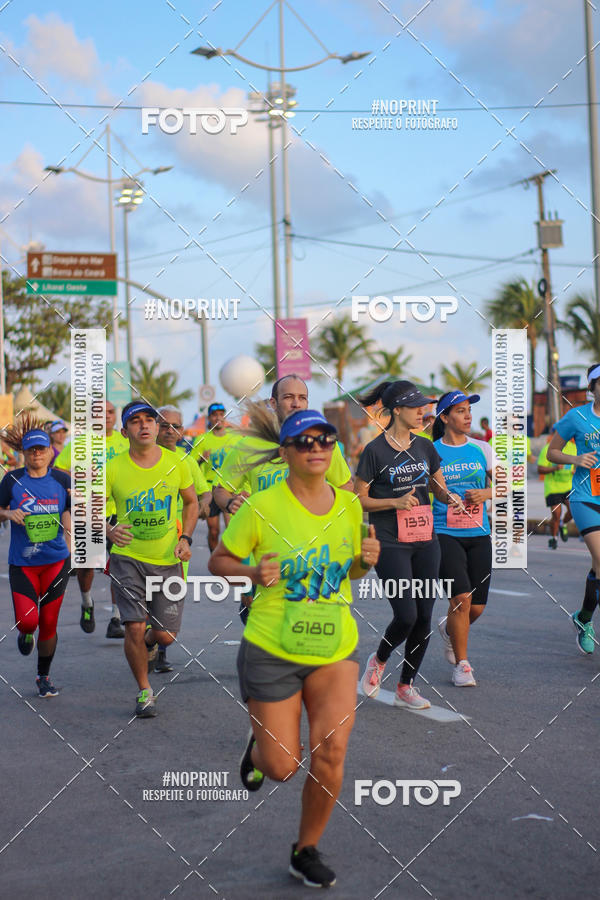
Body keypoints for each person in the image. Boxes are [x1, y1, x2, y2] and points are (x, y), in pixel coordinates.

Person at [209, 409, 380, 888]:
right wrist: (251, 575)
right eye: (304, 442)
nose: (317, 448)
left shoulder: (349, 507)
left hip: (333, 644)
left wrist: (365, 563)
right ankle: (259, 751)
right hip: (272, 645)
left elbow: (348, 572)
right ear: (285, 452)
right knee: (283, 766)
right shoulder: (262, 505)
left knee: (331, 752)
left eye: (325, 439)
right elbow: (218, 560)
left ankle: (305, 849)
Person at [354, 380, 462, 708]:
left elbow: (437, 487)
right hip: (390, 541)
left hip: (426, 538)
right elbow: (360, 500)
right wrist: (394, 503)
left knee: (425, 616)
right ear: (397, 410)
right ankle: (380, 658)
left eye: (424, 406)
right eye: (416, 407)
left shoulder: (425, 446)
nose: (423, 412)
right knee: (406, 614)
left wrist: (450, 497)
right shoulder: (375, 451)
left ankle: (406, 686)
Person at [106, 400, 199, 717]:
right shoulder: (113, 467)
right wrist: (108, 529)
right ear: (124, 431)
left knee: (166, 635)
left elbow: (191, 503)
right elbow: (88, 507)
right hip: (127, 558)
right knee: (133, 625)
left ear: (158, 427)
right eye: (136, 421)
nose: (144, 425)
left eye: (150, 420)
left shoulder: (177, 463)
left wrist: (185, 537)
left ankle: (149, 642)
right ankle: (145, 690)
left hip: (167, 558)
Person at [0, 417, 71, 697]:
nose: (37, 454)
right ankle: (25, 632)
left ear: (49, 451)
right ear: (25, 454)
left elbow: (69, 510)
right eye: (32, 450)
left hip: (56, 561)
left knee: (50, 622)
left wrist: (70, 540)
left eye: (41, 449)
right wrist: (7, 513)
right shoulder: (12, 480)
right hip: (23, 563)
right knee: (29, 622)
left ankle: (43, 676)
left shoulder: (62, 480)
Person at [431, 391, 493, 686]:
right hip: (444, 533)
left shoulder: (482, 448)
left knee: (477, 607)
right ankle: (462, 666)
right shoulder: (430, 451)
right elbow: (425, 489)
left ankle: (450, 630)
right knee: (461, 599)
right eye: (460, 411)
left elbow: (507, 483)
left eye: (469, 410)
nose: (468, 416)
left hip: (479, 532)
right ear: (444, 418)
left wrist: (487, 493)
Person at [55, 400, 129, 638]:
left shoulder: (125, 442)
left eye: (110, 411)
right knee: (87, 566)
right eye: (100, 412)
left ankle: (116, 618)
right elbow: (59, 470)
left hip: (119, 511)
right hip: (89, 512)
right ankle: (87, 604)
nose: (106, 416)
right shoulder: (80, 443)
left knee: (119, 566)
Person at [548, 364, 600, 654]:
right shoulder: (576, 417)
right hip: (585, 497)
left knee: (598, 567)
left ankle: (583, 619)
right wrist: (576, 458)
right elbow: (551, 451)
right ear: (591, 388)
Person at [155, 405, 212, 672]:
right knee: (144, 597)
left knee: (168, 598)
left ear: (182, 431)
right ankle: (148, 644)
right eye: (164, 425)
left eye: (175, 426)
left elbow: (205, 492)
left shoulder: (187, 461)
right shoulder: (136, 458)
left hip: (178, 542)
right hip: (140, 542)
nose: (169, 431)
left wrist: (201, 508)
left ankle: (160, 649)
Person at [189, 402, 240, 551]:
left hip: (230, 487)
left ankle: (230, 563)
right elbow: (191, 466)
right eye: (214, 415)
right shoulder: (202, 440)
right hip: (210, 488)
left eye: (221, 414)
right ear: (209, 418)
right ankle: (214, 562)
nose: (218, 418)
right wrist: (200, 460)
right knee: (214, 531)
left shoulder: (235, 439)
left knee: (232, 529)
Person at [537, 429, 575, 549]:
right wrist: (555, 469)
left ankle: (563, 524)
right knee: (556, 514)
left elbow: (579, 464)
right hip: (553, 487)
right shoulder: (548, 449)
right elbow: (540, 469)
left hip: (568, 486)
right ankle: (553, 538)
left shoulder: (573, 448)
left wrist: (576, 471)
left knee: (573, 509)